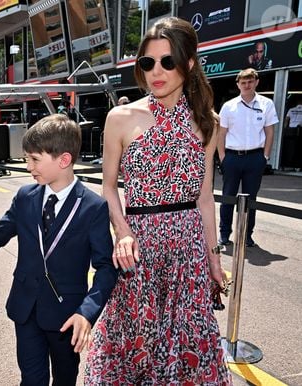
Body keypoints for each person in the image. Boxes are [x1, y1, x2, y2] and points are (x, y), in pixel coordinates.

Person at [85, 17, 231, 384]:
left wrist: (214, 261)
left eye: (168, 61)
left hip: (188, 249)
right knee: (135, 334)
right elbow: (108, 188)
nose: (156, 71)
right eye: (147, 63)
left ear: (189, 63)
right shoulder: (120, 118)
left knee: (186, 342)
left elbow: (204, 199)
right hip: (139, 248)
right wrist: (122, 233)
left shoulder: (207, 122)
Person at [0, 114, 117, 386]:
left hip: (67, 317)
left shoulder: (92, 207)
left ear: (63, 160)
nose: (28, 167)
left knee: (64, 378)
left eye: (34, 159)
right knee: (32, 379)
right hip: (25, 309)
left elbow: (106, 268)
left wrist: (87, 312)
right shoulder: (26, 197)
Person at [217, 68, 278, 247]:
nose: (247, 85)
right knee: (228, 196)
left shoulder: (266, 104)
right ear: (238, 85)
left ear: (256, 82)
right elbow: (221, 134)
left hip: (255, 158)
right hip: (232, 158)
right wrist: (222, 157)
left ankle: (246, 235)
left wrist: (265, 156)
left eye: (250, 82)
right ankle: (224, 234)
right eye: (243, 82)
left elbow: (270, 131)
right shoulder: (229, 106)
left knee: (251, 200)